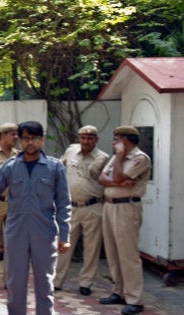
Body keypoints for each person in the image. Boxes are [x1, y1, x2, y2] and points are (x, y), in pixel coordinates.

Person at [0, 121, 71, 315]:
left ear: (42, 140)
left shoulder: (55, 168)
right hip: (16, 231)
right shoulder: (10, 167)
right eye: (26, 138)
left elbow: (63, 203)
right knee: (15, 283)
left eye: (36, 138)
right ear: (19, 140)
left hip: (44, 232)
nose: (31, 143)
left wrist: (65, 235)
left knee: (45, 283)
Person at [98, 125, 151, 315]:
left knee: (128, 254)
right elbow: (102, 178)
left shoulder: (139, 158)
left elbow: (118, 174)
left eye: (116, 139)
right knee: (112, 252)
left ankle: (134, 299)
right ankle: (119, 291)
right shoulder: (116, 157)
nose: (113, 143)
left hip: (127, 207)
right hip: (110, 205)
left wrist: (119, 158)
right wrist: (117, 182)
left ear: (125, 140)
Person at [53, 125, 109, 296]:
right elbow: (59, 169)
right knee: (63, 244)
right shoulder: (71, 151)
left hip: (93, 206)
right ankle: (56, 281)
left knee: (91, 248)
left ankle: (86, 283)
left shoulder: (104, 158)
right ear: (79, 138)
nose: (86, 141)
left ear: (96, 140)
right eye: (83, 137)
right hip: (71, 207)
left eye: (90, 138)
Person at [0, 122, 20, 263]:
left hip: (14, 201)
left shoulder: (19, 155)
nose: (16, 137)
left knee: (14, 238)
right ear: (3, 135)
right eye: (12, 134)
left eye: (17, 134)